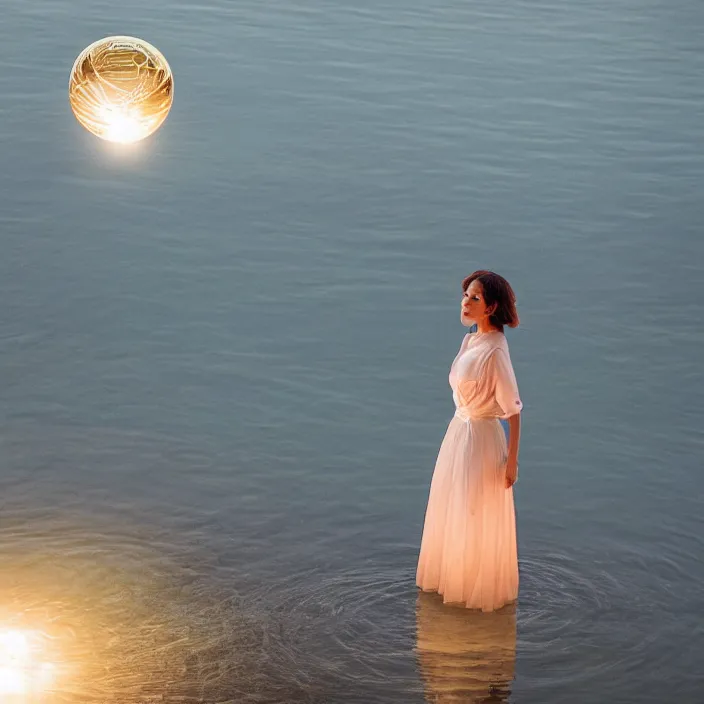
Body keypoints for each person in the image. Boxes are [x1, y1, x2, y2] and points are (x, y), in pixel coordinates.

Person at [416, 270, 522, 612]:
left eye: (474, 298)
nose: (465, 302)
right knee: (456, 507)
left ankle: (476, 591)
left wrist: (512, 461)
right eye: (465, 295)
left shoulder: (495, 352)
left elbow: (513, 410)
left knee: (475, 509)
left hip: (481, 438)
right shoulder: (471, 341)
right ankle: (455, 579)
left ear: (490, 307)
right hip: (459, 432)